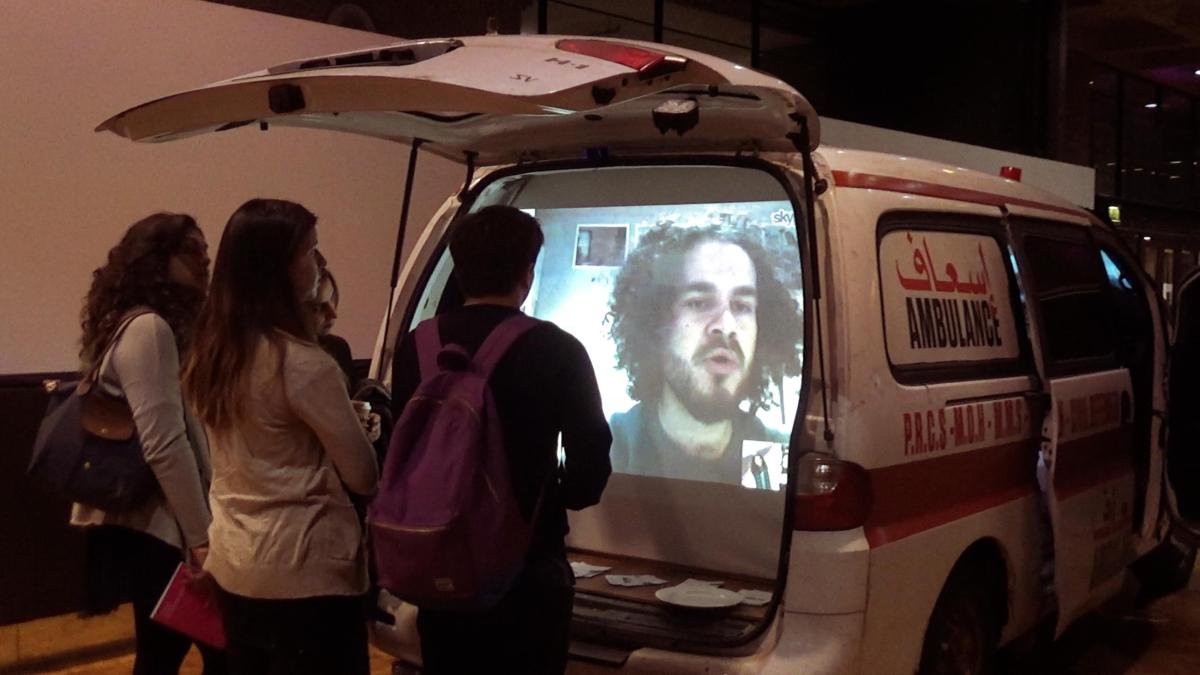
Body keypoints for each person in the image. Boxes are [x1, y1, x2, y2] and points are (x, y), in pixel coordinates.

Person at [390, 205, 612, 675]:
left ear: (460, 267)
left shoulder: (417, 346)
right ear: (527, 272)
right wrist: (558, 493)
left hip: (439, 563)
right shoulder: (558, 349)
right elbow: (590, 465)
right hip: (527, 569)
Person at [183, 198, 379, 675]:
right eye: (310, 250)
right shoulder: (304, 364)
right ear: (280, 267)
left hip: (235, 561)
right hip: (305, 572)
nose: (317, 263)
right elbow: (363, 476)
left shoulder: (210, 354)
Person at [71, 212, 226, 675]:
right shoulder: (149, 329)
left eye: (205, 250)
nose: (204, 260)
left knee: (166, 655)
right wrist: (201, 539)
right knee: (208, 652)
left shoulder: (144, 326)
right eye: (191, 250)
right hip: (159, 530)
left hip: (156, 527)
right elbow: (165, 444)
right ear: (155, 260)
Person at [607, 223, 803, 485]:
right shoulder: (614, 447)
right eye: (699, 303)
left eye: (742, 306)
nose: (726, 326)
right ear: (656, 324)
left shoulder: (770, 453)